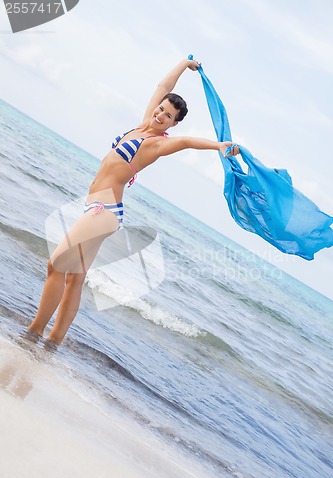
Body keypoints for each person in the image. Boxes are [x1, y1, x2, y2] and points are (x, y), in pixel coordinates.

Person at [28, 58, 239, 348]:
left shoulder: (157, 144)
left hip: (105, 211)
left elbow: (187, 142)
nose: (160, 115)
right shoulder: (141, 126)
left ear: (173, 123)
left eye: (167, 116)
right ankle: (52, 342)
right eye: (161, 109)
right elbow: (163, 86)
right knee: (74, 278)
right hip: (97, 208)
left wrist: (218, 146)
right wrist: (184, 64)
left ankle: (32, 333)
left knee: (56, 265)